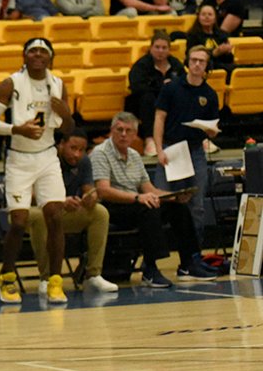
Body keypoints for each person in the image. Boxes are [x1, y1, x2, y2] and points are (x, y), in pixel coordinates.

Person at [0, 38, 75, 304]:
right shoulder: (10, 83)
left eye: (42, 51)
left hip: (47, 156)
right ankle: (8, 278)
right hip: (19, 159)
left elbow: (67, 130)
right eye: (32, 50)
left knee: (55, 216)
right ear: (24, 56)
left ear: (50, 58)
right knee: (20, 222)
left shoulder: (58, 84)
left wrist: (66, 115)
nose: (37, 54)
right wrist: (16, 129)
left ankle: (54, 281)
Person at [91, 112, 213, 287]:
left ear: (135, 135)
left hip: (136, 202)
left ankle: (188, 263)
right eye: (119, 130)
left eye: (128, 131)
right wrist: (138, 197)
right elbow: (103, 190)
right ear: (111, 131)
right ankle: (150, 268)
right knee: (149, 208)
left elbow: (150, 190)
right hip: (112, 206)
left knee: (178, 208)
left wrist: (174, 197)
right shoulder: (100, 153)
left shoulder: (133, 155)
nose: (123, 134)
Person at [28, 130, 119, 294]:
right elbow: (29, 194)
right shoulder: (45, 158)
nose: (77, 154)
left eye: (81, 150)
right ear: (61, 144)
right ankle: (47, 277)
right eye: (73, 148)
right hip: (32, 210)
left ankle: (93, 275)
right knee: (42, 217)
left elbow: (89, 189)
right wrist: (59, 201)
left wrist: (90, 197)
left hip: (61, 211)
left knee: (100, 212)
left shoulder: (83, 162)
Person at [153, 46, 222, 249]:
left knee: (196, 205)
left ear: (207, 66)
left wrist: (210, 131)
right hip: (171, 148)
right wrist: (159, 149)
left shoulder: (209, 94)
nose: (197, 64)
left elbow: (213, 127)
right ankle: (158, 255)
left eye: (201, 61)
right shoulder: (172, 88)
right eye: (194, 60)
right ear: (187, 62)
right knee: (161, 198)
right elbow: (159, 117)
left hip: (195, 151)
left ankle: (195, 253)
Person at [125, 30, 184, 156]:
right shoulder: (141, 65)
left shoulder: (175, 64)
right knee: (148, 98)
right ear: (151, 48)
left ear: (169, 49)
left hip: (169, 101)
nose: (160, 51)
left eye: (164, 48)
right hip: (144, 103)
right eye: (157, 47)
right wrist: (161, 86)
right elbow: (137, 87)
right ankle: (149, 140)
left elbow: (184, 83)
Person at [186, 3, 234, 79]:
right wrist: (214, 54)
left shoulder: (222, 35)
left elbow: (229, 60)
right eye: (203, 14)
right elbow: (190, 57)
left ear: (215, 18)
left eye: (210, 14)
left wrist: (227, 52)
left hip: (223, 68)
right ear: (198, 17)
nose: (206, 17)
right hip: (203, 68)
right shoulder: (193, 35)